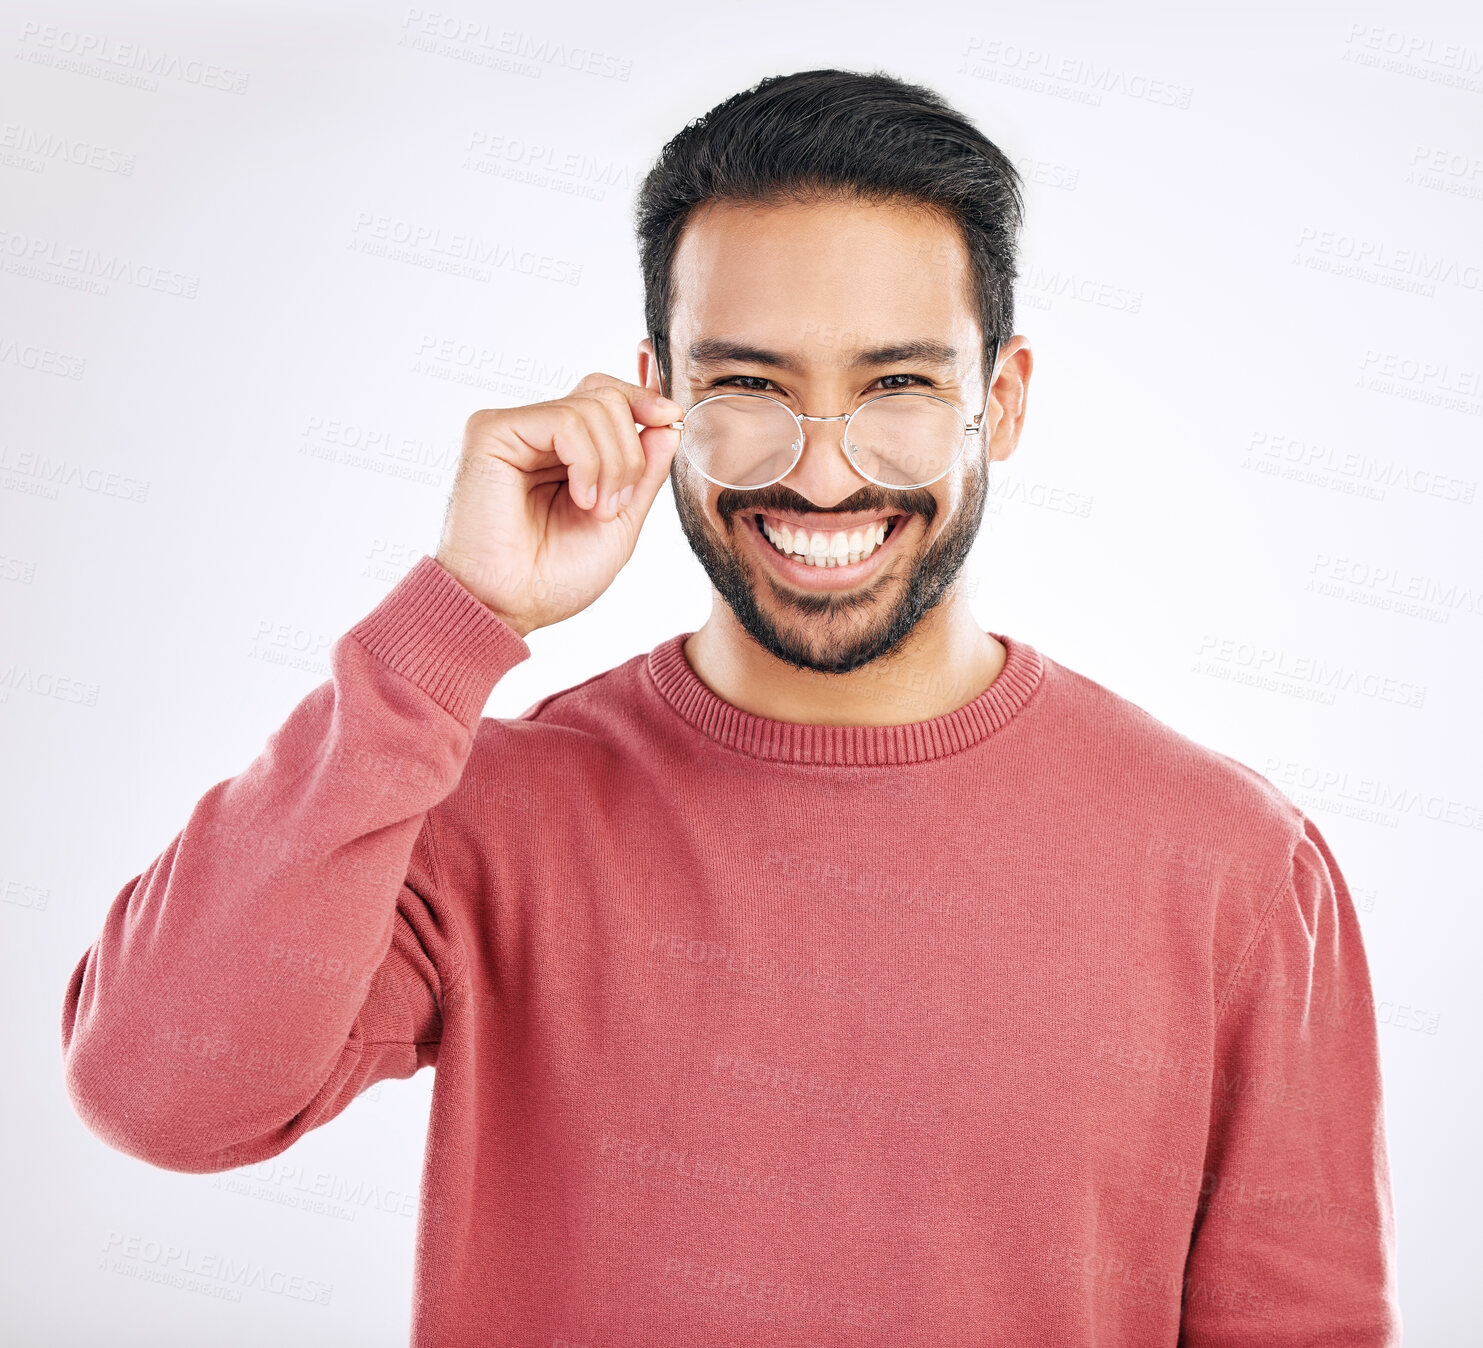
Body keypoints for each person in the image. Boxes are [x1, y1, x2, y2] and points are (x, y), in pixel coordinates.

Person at [61, 68, 1401, 1346]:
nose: (825, 476)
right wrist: (458, 621)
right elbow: (159, 1094)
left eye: (898, 385)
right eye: (749, 387)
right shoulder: (482, 809)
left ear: (1001, 397)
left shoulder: (1233, 864)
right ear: (657, 396)